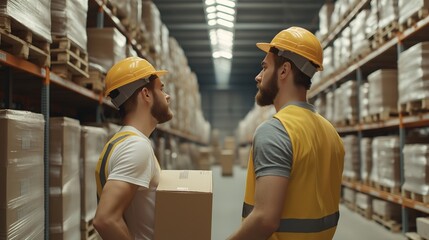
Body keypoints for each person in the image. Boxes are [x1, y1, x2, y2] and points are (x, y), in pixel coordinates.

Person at [228, 27, 345, 240]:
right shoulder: (331, 133)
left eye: (264, 67)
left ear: (284, 71)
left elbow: (265, 219)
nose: (258, 76)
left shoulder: (275, 131)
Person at [93, 57, 173, 240]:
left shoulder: (122, 141)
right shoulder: (136, 147)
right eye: (161, 89)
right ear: (146, 94)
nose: (167, 95)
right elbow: (105, 219)